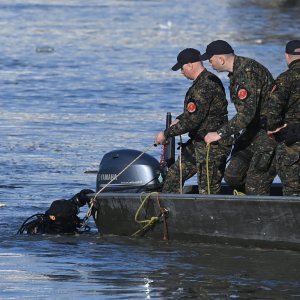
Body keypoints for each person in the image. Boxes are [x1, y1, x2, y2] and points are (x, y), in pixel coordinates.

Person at [202, 40, 277, 195]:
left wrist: (220, 133)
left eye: (210, 60)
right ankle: (249, 202)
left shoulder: (247, 73)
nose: (209, 64)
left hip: (269, 131)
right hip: (253, 131)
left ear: (221, 59)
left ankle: (260, 210)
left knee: (255, 183)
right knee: (232, 176)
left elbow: (246, 114)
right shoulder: (236, 72)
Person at [155, 48, 232, 194]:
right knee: (174, 176)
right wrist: (179, 119)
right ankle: (168, 212)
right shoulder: (205, 81)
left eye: (182, 68)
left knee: (207, 188)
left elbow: (192, 121)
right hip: (198, 142)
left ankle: (209, 215)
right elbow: (196, 112)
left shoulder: (204, 86)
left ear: (190, 64)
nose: (182, 72)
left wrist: (166, 134)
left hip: (212, 145)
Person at [266, 40, 300, 196]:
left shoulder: (285, 79)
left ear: (287, 56)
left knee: (292, 188)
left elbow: (272, 111)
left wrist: (274, 128)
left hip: (292, 139)